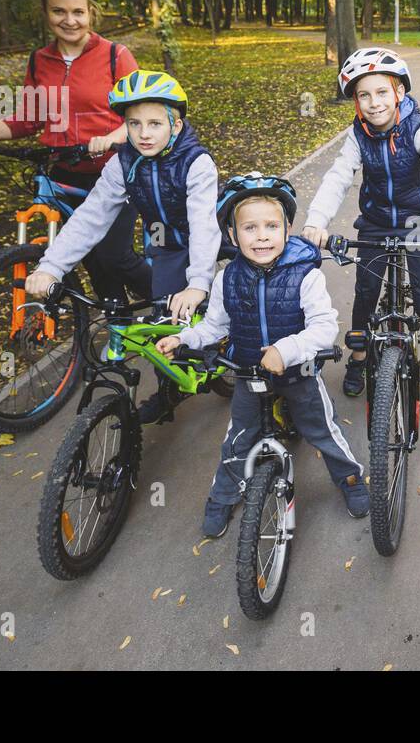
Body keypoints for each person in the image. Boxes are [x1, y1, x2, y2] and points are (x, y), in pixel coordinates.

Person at [156, 174, 370, 535]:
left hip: (297, 373)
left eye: (271, 226)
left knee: (321, 431)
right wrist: (185, 339)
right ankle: (222, 497)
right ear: (232, 235)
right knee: (238, 439)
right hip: (248, 374)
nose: (261, 236)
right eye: (249, 228)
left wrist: (287, 350)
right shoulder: (227, 279)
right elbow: (215, 326)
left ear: (287, 229)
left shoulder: (305, 275)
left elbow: (323, 328)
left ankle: (350, 479)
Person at [23, 70, 221, 425]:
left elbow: (204, 227)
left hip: (201, 237)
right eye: (134, 123)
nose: (144, 134)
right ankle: (169, 390)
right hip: (164, 241)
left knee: (235, 297)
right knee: (166, 317)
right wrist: (52, 266)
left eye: (155, 123)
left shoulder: (197, 162)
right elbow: (91, 217)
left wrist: (198, 282)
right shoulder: (123, 163)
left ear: (175, 126)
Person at [0, 0, 151, 305]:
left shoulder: (116, 55)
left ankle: (177, 307)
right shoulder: (40, 60)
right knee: (92, 262)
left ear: (90, 13)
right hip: (62, 174)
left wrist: (113, 136)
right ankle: (119, 333)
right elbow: (28, 120)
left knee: (115, 257)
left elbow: (142, 116)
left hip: (115, 172)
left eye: (78, 12)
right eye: (59, 11)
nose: (69, 20)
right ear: (45, 14)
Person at [301, 47, 420, 401]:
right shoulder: (357, 135)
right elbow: (338, 176)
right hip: (376, 223)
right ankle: (358, 356)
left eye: (382, 92)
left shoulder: (419, 128)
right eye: (363, 95)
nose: (373, 103)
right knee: (365, 294)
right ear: (355, 101)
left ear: (399, 92)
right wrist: (315, 222)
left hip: (417, 224)